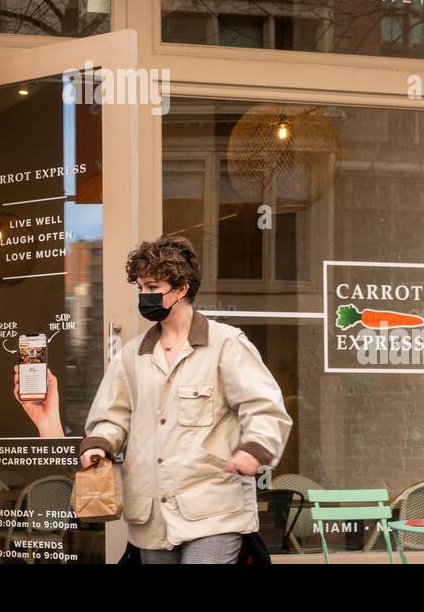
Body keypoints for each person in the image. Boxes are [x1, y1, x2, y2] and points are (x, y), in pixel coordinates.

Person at [78, 235, 292, 563]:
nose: (144, 296)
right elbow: (113, 415)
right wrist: (99, 443)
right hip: (150, 514)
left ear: (181, 288)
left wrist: (255, 449)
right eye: (140, 289)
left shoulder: (226, 345)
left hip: (214, 509)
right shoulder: (131, 356)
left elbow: (264, 406)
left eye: (153, 288)